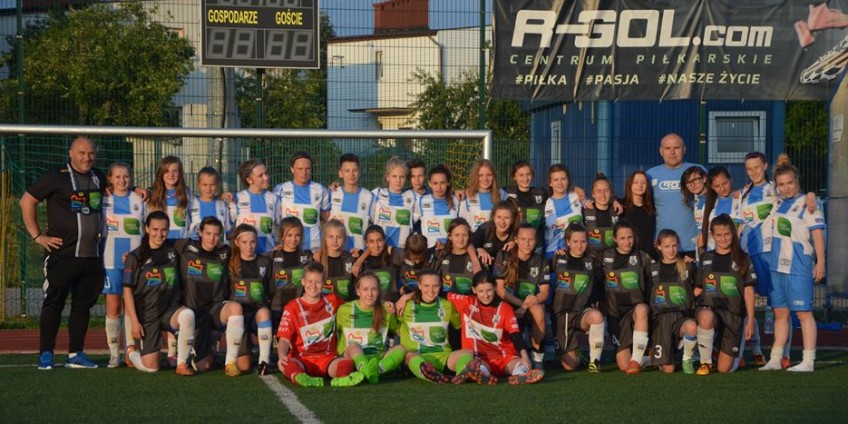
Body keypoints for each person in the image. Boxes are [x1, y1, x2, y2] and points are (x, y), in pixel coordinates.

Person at [21, 136, 106, 370]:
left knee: (82, 306)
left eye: (91, 153)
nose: (87, 158)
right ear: (71, 153)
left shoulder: (98, 176)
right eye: (81, 153)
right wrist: (38, 236)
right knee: (54, 303)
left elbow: (116, 189)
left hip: (90, 256)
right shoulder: (55, 176)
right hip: (61, 254)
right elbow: (26, 201)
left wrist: (136, 189)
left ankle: (75, 353)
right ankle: (46, 353)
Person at [760, 155, 826, 373]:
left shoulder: (809, 204)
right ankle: (775, 359)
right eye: (781, 184)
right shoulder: (777, 203)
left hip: (799, 267)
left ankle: (808, 360)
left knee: (804, 314)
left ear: (797, 181)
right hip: (776, 268)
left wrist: (820, 262)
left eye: (790, 182)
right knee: (780, 313)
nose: (786, 187)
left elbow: (817, 234)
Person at [122, 211, 194, 375]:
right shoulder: (135, 257)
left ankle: (182, 364)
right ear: (147, 229)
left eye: (164, 230)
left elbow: (202, 243)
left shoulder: (174, 248)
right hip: (148, 315)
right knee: (151, 368)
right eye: (155, 229)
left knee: (187, 315)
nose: (159, 234)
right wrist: (134, 322)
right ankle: (131, 352)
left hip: (170, 311)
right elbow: (127, 290)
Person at [276, 262, 366, 387]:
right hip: (302, 359)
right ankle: (301, 378)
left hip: (327, 358)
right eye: (310, 281)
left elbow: (356, 307)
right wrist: (281, 355)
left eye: (318, 282)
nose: (313, 286)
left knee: (346, 363)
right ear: (303, 281)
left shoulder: (333, 301)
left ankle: (340, 379)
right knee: (286, 364)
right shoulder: (292, 307)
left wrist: (384, 304)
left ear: (323, 283)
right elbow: (284, 339)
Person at [173, 217, 243, 376]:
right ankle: (189, 348)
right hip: (193, 312)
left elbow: (247, 253)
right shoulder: (184, 246)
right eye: (208, 234)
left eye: (216, 234)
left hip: (215, 310)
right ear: (200, 233)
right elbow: (158, 245)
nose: (212, 238)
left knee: (236, 308)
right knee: (204, 366)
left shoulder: (225, 252)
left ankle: (230, 363)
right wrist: (136, 256)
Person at [447, 271, 544, 384]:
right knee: (477, 366)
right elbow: (442, 294)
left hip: (505, 358)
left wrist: (525, 356)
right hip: (480, 358)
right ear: (474, 290)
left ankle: (520, 375)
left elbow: (515, 334)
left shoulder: (505, 308)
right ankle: (481, 375)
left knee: (520, 365)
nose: (486, 295)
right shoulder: (466, 303)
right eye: (481, 291)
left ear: (495, 287)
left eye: (489, 290)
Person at [396, 269, 485, 384]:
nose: (431, 290)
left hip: (443, 356)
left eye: (435, 286)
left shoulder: (447, 305)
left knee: (468, 352)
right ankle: (432, 376)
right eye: (426, 286)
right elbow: (394, 326)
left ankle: (462, 374)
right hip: (417, 356)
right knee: (408, 355)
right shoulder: (406, 305)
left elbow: (459, 328)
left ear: (440, 286)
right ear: (419, 285)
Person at [694, 214, 756, 375]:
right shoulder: (706, 258)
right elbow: (698, 288)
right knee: (706, 315)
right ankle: (705, 363)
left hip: (733, 315)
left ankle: (735, 354)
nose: (723, 238)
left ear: (733, 233)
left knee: (724, 369)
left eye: (727, 234)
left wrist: (750, 320)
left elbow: (749, 291)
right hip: (711, 310)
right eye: (719, 235)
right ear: (713, 236)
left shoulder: (743, 259)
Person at [101, 162, 146, 368]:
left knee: (131, 307)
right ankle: (113, 353)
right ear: (110, 179)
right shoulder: (104, 199)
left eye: (126, 176)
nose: (122, 180)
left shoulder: (139, 199)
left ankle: (130, 350)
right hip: (110, 261)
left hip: (134, 263)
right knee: (113, 307)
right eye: (117, 177)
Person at [493, 223, 551, 369]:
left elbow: (544, 293)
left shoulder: (541, 261)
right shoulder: (504, 256)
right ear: (516, 240)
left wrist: (527, 305)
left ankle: (538, 357)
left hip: (529, 305)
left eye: (530, 239)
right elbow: (500, 291)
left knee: (539, 310)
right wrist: (522, 305)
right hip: (508, 305)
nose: (527, 243)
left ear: (536, 241)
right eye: (523, 239)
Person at [600, 220, 653, 374]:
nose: (627, 241)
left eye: (630, 237)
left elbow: (658, 275)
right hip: (615, 315)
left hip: (635, 311)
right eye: (622, 238)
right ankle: (649, 359)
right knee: (624, 365)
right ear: (615, 239)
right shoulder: (605, 256)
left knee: (642, 309)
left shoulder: (642, 257)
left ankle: (636, 359)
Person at [551, 223, 605, 373]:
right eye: (575, 241)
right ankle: (573, 352)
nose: (579, 245)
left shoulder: (592, 262)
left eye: (583, 241)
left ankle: (594, 362)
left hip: (581, 313)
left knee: (596, 316)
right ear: (567, 242)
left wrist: (595, 302)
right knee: (571, 366)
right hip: (562, 314)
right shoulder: (558, 258)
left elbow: (600, 285)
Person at [336, 271, 406, 384]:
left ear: (378, 291)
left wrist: (403, 301)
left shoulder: (386, 309)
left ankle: (374, 371)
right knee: (353, 346)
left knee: (401, 348)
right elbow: (334, 333)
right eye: (365, 289)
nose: (370, 293)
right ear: (358, 291)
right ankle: (368, 370)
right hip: (353, 359)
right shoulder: (345, 310)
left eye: (374, 289)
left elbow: (399, 331)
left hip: (378, 359)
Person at [227, 224, 275, 375]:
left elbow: (270, 289)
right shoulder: (230, 262)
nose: (249, 246)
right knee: (244, 366)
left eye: (252, 242)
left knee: (264, 313)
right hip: (238, 316)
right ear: (237, 243)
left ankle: (264, 361)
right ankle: (244, 350)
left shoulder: (265, 262)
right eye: (244, 242)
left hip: (256, 313)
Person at [650, 230, 698, 374]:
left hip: (681, 316)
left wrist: (688, 297)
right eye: (667, 246)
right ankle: (655, 357)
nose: (671, 250)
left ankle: (687, 359)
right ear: (659, 247)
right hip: (661, 319)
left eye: (674, 246)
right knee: (668, 369)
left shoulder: (687, 266)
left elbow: (700, 287)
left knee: (692, 326)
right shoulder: (653, 268)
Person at [647, 133, 702, 257]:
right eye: (668, 148)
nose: (672, 152)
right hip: (664, 246)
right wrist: (614, 200)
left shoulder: (697, 171)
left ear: (684, 149)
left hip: (693, 244)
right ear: (661, 151)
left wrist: (735, 194)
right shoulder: (651, 174)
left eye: (676, 148)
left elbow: (716, 193)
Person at [273, 151, 330, 252]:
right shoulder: (280, 189)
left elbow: (328, 218)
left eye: (307, 168)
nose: (304, 172)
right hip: (289, 247)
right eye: (300, 169)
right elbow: (275, 219)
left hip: (314, 248)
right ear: (292, 169)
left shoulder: (320, 189)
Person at [267, 217, 313, 330]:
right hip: (277, 309)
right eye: (289, 235)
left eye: (297, 235)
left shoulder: (307, 256)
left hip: (299, 309)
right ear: (282, 236)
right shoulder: (272, 256)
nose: (293, 239)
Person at [231, 159, 281, 255]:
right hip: (244, 257)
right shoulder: (237, 198)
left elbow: (282, 227)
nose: (266, 177)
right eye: (260, 175)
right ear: (249, 180)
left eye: (266, 173)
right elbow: (229, 229)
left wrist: (279, 244)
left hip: (268, 256)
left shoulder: (274, 199)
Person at [328, 153, 373, 254]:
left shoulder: (369, 197)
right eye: (347, 171)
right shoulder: (332, 193)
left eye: (355, 170)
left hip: (358, 254)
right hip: (335, 253)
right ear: (340, 173)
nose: (351, 174)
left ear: (359, 172)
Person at [371, 157, 417, 248]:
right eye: (394, 176)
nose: (398, 180)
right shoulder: (376, 194)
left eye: (402, 177)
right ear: (388, 177)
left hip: (403, 251)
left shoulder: (413, 197)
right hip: (380, 249)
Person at [431, 218, 482, 295]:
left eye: (464, 235)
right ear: (450, 236)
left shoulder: (478, 256)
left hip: (470, 301)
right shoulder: (441, 255)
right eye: (456, 235)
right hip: (446, 301)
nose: (461, 239)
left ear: (469, 236)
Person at [147, 155, 191, 242]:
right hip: (159, 244)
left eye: (175, 171)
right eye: (166, 171)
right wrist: (135, 188)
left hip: (181, 245)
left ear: (180, 173)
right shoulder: (151, 194)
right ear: (161, 173)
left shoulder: (188, 193)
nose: (171, 174)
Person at [544, 164, 583, 258]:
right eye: (555, 180)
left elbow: (597, 202)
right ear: (550, 183)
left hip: (577, 249)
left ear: (568, 180)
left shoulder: (577, 197)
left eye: (563, 179)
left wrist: (613, 201)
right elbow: (551, 227)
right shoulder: (547, 203)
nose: (560, 183)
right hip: (554, 251)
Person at [351, 225, 400, 302]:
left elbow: (413, 253)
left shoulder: (393, 256)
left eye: (379, 240)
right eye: (371, 241)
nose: (376, 245)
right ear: (366, 243)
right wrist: (360, 259)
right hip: (368, 307)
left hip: (390, 307)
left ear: (384, 240)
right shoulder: (360, 261)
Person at [417, 164, 460, 249]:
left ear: (448, 183)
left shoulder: (457, 201)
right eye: (435, 183)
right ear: (429, 183)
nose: (439, 187)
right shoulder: (420, 201)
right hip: (429, 251)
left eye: (442, 183)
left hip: (452, 250)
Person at [459, 159, 507, 233]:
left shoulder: (502, 194)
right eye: (480, 175)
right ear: (475, 176)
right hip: (473, 239)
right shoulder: (466, 196)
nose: (485, 179)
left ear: (494, 176)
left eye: (489, 175)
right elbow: (461, 223)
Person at [700, 166, 741, 250]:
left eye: (725, 183)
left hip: (737, 252)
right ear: (712, 186)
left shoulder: (742, 198)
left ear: (731, 180)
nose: (722, 189)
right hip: (714, 253)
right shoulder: (708, 205)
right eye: (717, 186)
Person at [620, 170, 656, 259]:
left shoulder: (652, 206)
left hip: (649, 256)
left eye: (643, 182)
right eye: (636, 182)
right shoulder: (621, 205)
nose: (640, 185)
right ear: (630, 185)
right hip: (628, 257)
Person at [188, 166, 230, 242]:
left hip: (218, 247)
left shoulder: (223, 205)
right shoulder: (191, 204)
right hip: (195, 247)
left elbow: (228, 232)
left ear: (217, 185)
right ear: (198, 185)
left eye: (212, 185)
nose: (208, 189)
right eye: (204, 185)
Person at [472, 200, 519, 268]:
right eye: (499, 217)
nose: (502, 221)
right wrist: (479, 249)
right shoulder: (484, 229)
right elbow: (469, 244)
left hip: (508, 270)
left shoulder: (518, 233)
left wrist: (517, 245)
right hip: (485, 270)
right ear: (494, 217)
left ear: (512, 220)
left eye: (506, 218)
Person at [317, 219, 356, 300]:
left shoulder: (351, 259)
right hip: (324, 306)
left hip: (346, 305)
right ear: (325, 238)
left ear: (344, 239)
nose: (334, 241)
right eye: (331, 236)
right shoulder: (317, 259)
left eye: (339, 237)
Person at [583, 173, 618, 255]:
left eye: (606, 191)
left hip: (612, 258)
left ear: (611, 193)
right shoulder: (584, 211)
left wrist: (615, 201)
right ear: (593, 194)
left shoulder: (618, 210)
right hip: (591, 257)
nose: (602, 194)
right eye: (599, 191)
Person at [680, 166, 708, 254]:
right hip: (702, 249)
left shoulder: (717, 197)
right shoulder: (694, 200)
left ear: (704, 178)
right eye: (688, 183)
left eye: (695, 180)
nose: (692, 185)